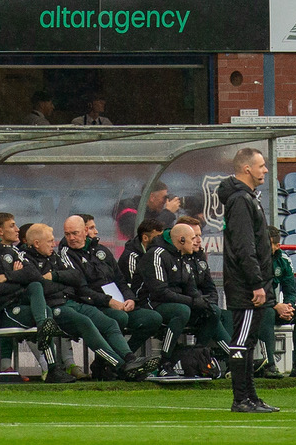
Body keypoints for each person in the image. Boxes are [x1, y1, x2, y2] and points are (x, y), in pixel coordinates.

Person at [22, 223, 158, 380]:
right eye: (50, 241)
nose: (54, 244)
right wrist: (62, 281)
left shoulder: (54, 257)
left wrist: (54, 276)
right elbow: (39, 285)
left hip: (72, 302)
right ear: (37, 243)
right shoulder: (25, 259)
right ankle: (121, 366)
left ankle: (130, 360)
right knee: (85, 323)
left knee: (109, 323)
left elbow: (76, 277)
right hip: (55, 306)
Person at [0, 219, 71, 379]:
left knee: (37, 291)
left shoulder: (10, 251)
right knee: (45, 315)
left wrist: (8, 276)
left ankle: (53, 368)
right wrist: (20, 282)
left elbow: (34, 275)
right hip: (0, 312)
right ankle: (53, 368)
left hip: (18, 305)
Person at [58, 215, 162, 374]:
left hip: (117, 302)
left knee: (152, 319)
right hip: (94, 304)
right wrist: (109, 301)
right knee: (119, 318)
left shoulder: (101, 250)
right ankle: (120, 364)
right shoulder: (66, 254)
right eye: (67, 234)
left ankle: (113, 361)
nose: (71, 238)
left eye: (75, 233)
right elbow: (81, 289)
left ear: (85, 231)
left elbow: (120, 279)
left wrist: (129, 298)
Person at [217, 147, 279, 413]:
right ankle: (241, 398)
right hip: (246, 285)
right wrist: (256, 283)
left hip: (251, 283)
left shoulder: (247, 198)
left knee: (249, 341)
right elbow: (244, 246)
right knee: (242, 341)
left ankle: (251, 397)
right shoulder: (241, 201)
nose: (265, 170)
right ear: (247, 169)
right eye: (262, 165)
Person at [138, 223, 234, 376]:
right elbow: (159, 292)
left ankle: (197, 358)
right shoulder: (156, 254)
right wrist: (193, 302)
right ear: (181, 240)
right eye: (192, 238)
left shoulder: (184, 257)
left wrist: (202, 302)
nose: (196, 241)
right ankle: (165, 362)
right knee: (182, 311)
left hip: (177, 302)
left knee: (212, 311)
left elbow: (191, 288)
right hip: (152, 303)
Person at [255, 227, 296, 379]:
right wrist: (276, 306)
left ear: (277, 246)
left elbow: (290, 290)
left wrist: (288, 306)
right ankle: (269, 365)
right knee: (269, 312)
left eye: (268, 244)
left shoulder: (283, 260)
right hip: (254, 308)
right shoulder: (255, 261)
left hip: (275, 306)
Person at [118, 217, 163, 294]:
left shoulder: (160, 253)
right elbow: (134, 286)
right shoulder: (131, 257)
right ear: (145, 238)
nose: (160, 241)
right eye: (157, 237)